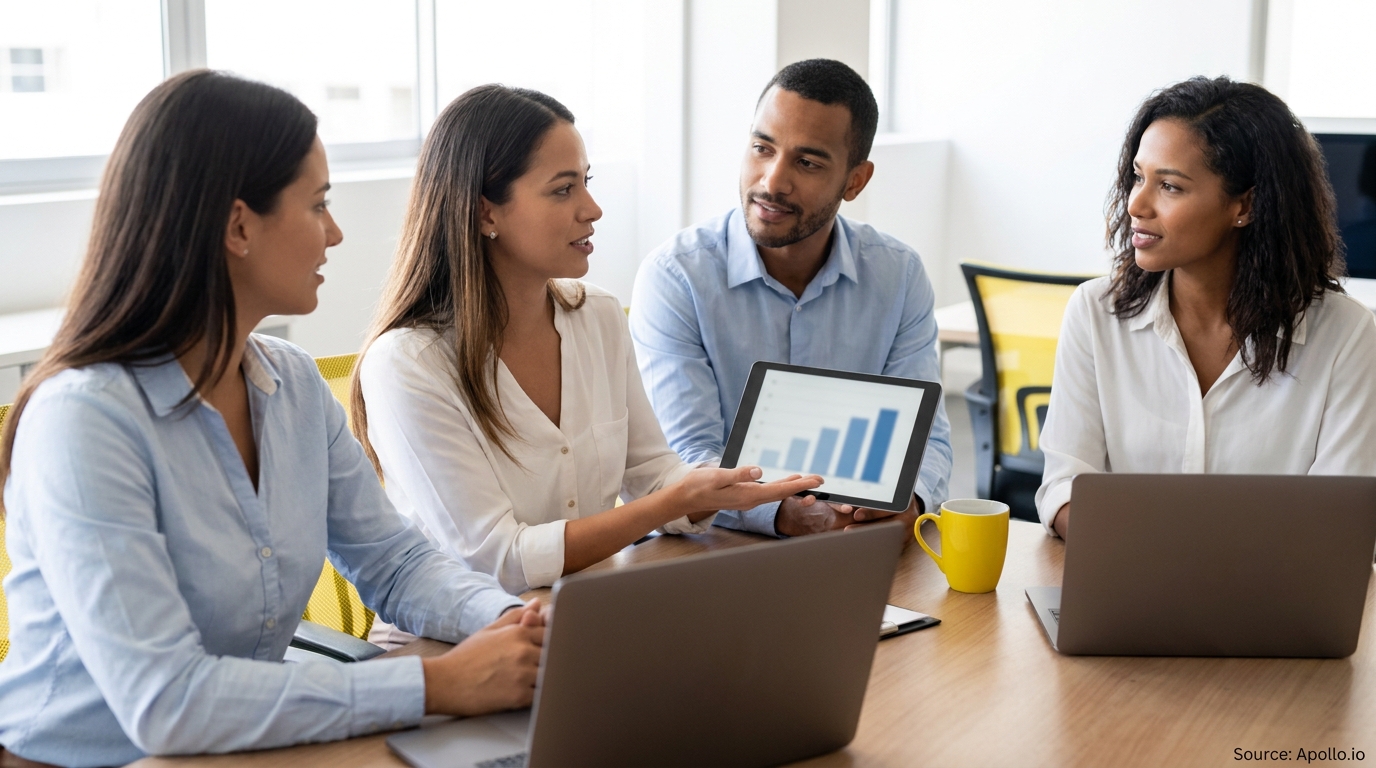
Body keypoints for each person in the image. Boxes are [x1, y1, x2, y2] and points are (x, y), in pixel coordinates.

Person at [0, 71, 547, 767]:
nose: (337, 232)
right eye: (318, 204)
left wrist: (509, 620)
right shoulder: (84, 422)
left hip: (238, 749)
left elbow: (395, 562)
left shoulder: (290, 385)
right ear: (237, 226)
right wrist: (434, 683)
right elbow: (168, 702)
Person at [353, 85, 820, 600]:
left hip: (590, 615)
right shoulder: (407, 364)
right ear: (486, 213)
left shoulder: (596, 316)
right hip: (462, 647)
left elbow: (650, 472)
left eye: (587, 183)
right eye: (562, 189)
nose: (592, 209)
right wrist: (668, 503)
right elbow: (497, 560)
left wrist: (718, 489)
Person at [1036, 76, 1376, 540]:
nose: (1136, 204)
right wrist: (1153, 558)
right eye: (1139, 176)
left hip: (1272, 604)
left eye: (1170, 186)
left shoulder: (1347, 335)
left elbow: (1339, 521)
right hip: (1129, 589)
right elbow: (1063, 485)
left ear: (1245, 205)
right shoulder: (1095, 312)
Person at [630, 59, 952, 538]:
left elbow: (925, 441)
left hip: (857, 545)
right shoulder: (677, 277)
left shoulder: (898, 275)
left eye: (807, 162)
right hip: (712, 551)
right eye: (762, 148)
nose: (772, 181)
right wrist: (781, 514)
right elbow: (686, 462)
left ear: (855, 181)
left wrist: (906, 504)